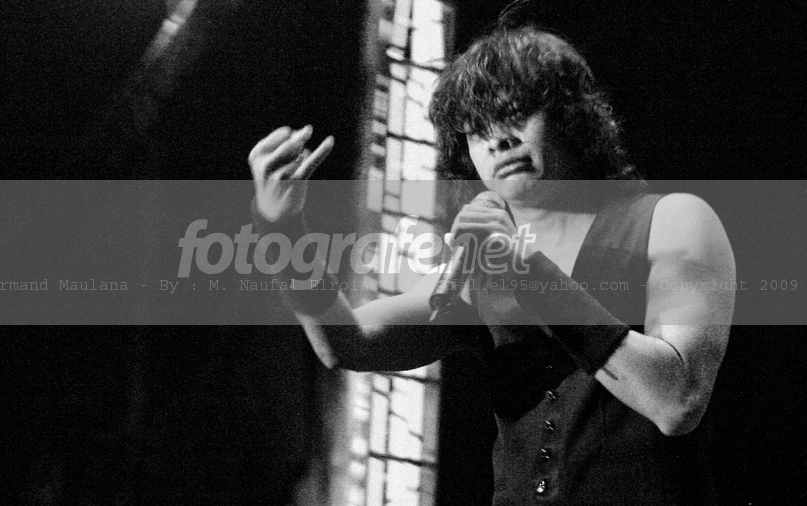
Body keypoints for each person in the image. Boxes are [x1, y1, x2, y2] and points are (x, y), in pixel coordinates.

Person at [248, 25, 735, 506]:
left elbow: (677, 401)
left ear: (570, 114)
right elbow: (347, 341)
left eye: (514, 113)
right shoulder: (480, 267)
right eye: (477, 130)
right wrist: (283, 229)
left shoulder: (672, 220)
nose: (497, 140)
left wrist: (526, 270)